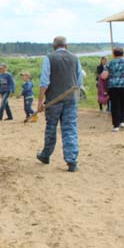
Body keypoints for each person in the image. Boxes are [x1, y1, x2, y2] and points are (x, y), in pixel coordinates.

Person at [36, 36, 82, 172]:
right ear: (66, 46)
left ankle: (46, 155)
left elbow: (44, 82)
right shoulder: (75, 58)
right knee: (70, 129)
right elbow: (79, 82)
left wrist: (39, 101)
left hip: (53, 101)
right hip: (70, 100)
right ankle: (71, 161)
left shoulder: (49, 58)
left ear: (54, 46)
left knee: (51, 128)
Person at [100, 47, 124, 132]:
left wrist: (104, 75)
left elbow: (104, 76)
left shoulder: (110, 63)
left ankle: (116, 125)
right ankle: (122, 121)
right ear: (123, 53)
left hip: (113, 86)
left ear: (114, 54)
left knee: (115, 105)